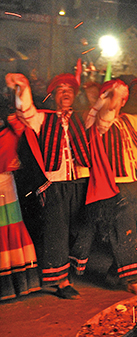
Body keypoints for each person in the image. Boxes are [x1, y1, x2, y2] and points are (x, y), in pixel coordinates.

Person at [7, 73, 93, 299]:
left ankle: (73, 268)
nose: (65, 93)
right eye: (60, 90)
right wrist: (23, 86)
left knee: (81, 228)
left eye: (69, 90)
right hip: (54, 184)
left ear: (75, 94)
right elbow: (26, 110)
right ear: (53, 95)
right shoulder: (42, 119)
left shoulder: (84, 118)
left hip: (82, 181)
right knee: (57, 233)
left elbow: (103, 114)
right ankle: (61, 281)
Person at [86, 78, 137, 295]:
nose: (120, 103)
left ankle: (116, 274)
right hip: (114, 185)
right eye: (117, 98)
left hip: (134, 182)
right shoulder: (99, 120)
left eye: (123, 99)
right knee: (124, 230)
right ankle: (134, 278)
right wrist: (112, 98)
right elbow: (105, 118)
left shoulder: (127, 120)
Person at [0, 105, 42, 300]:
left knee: (10, 228)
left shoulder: (12, 130)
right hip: (7, 185)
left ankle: (16, 285)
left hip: (7, 184)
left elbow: (22, 125)